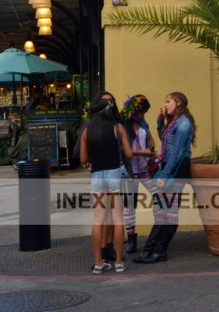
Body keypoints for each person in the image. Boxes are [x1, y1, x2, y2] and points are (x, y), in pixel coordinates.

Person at [135, 91, 196, 264]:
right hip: (169, 167)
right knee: (161, 209)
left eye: (168, 101)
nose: (165, 104)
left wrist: (166, 173)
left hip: (175, 171)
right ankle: (151, 250)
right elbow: (166, 143)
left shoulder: (184, 124)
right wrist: (159, 122)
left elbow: (177, 152)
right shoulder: (174, 122)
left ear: (178, 103)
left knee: (169, 211)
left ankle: (158, 250)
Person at [80, 97, 134, 275]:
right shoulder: (117, 128)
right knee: (118, 219)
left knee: (98, 220)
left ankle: (98, 264)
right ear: (107, 111)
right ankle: (118, 262)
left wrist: (91, 161)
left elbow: (82, 159)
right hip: (114, 174)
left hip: (97, 175)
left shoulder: (87, 131)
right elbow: (129, 153)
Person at [120, 94, 155, 256]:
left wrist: (152, 149)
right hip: (130, 173)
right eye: (142, 113)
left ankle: (158, 232)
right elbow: (125, 152)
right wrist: (143, 153)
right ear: (134, 111)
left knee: (158, 196)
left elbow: (151, 139)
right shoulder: (123, 127)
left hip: (146, 170)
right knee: (130, 207)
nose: (143, 116)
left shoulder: (143, 124)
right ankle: (132, 239)